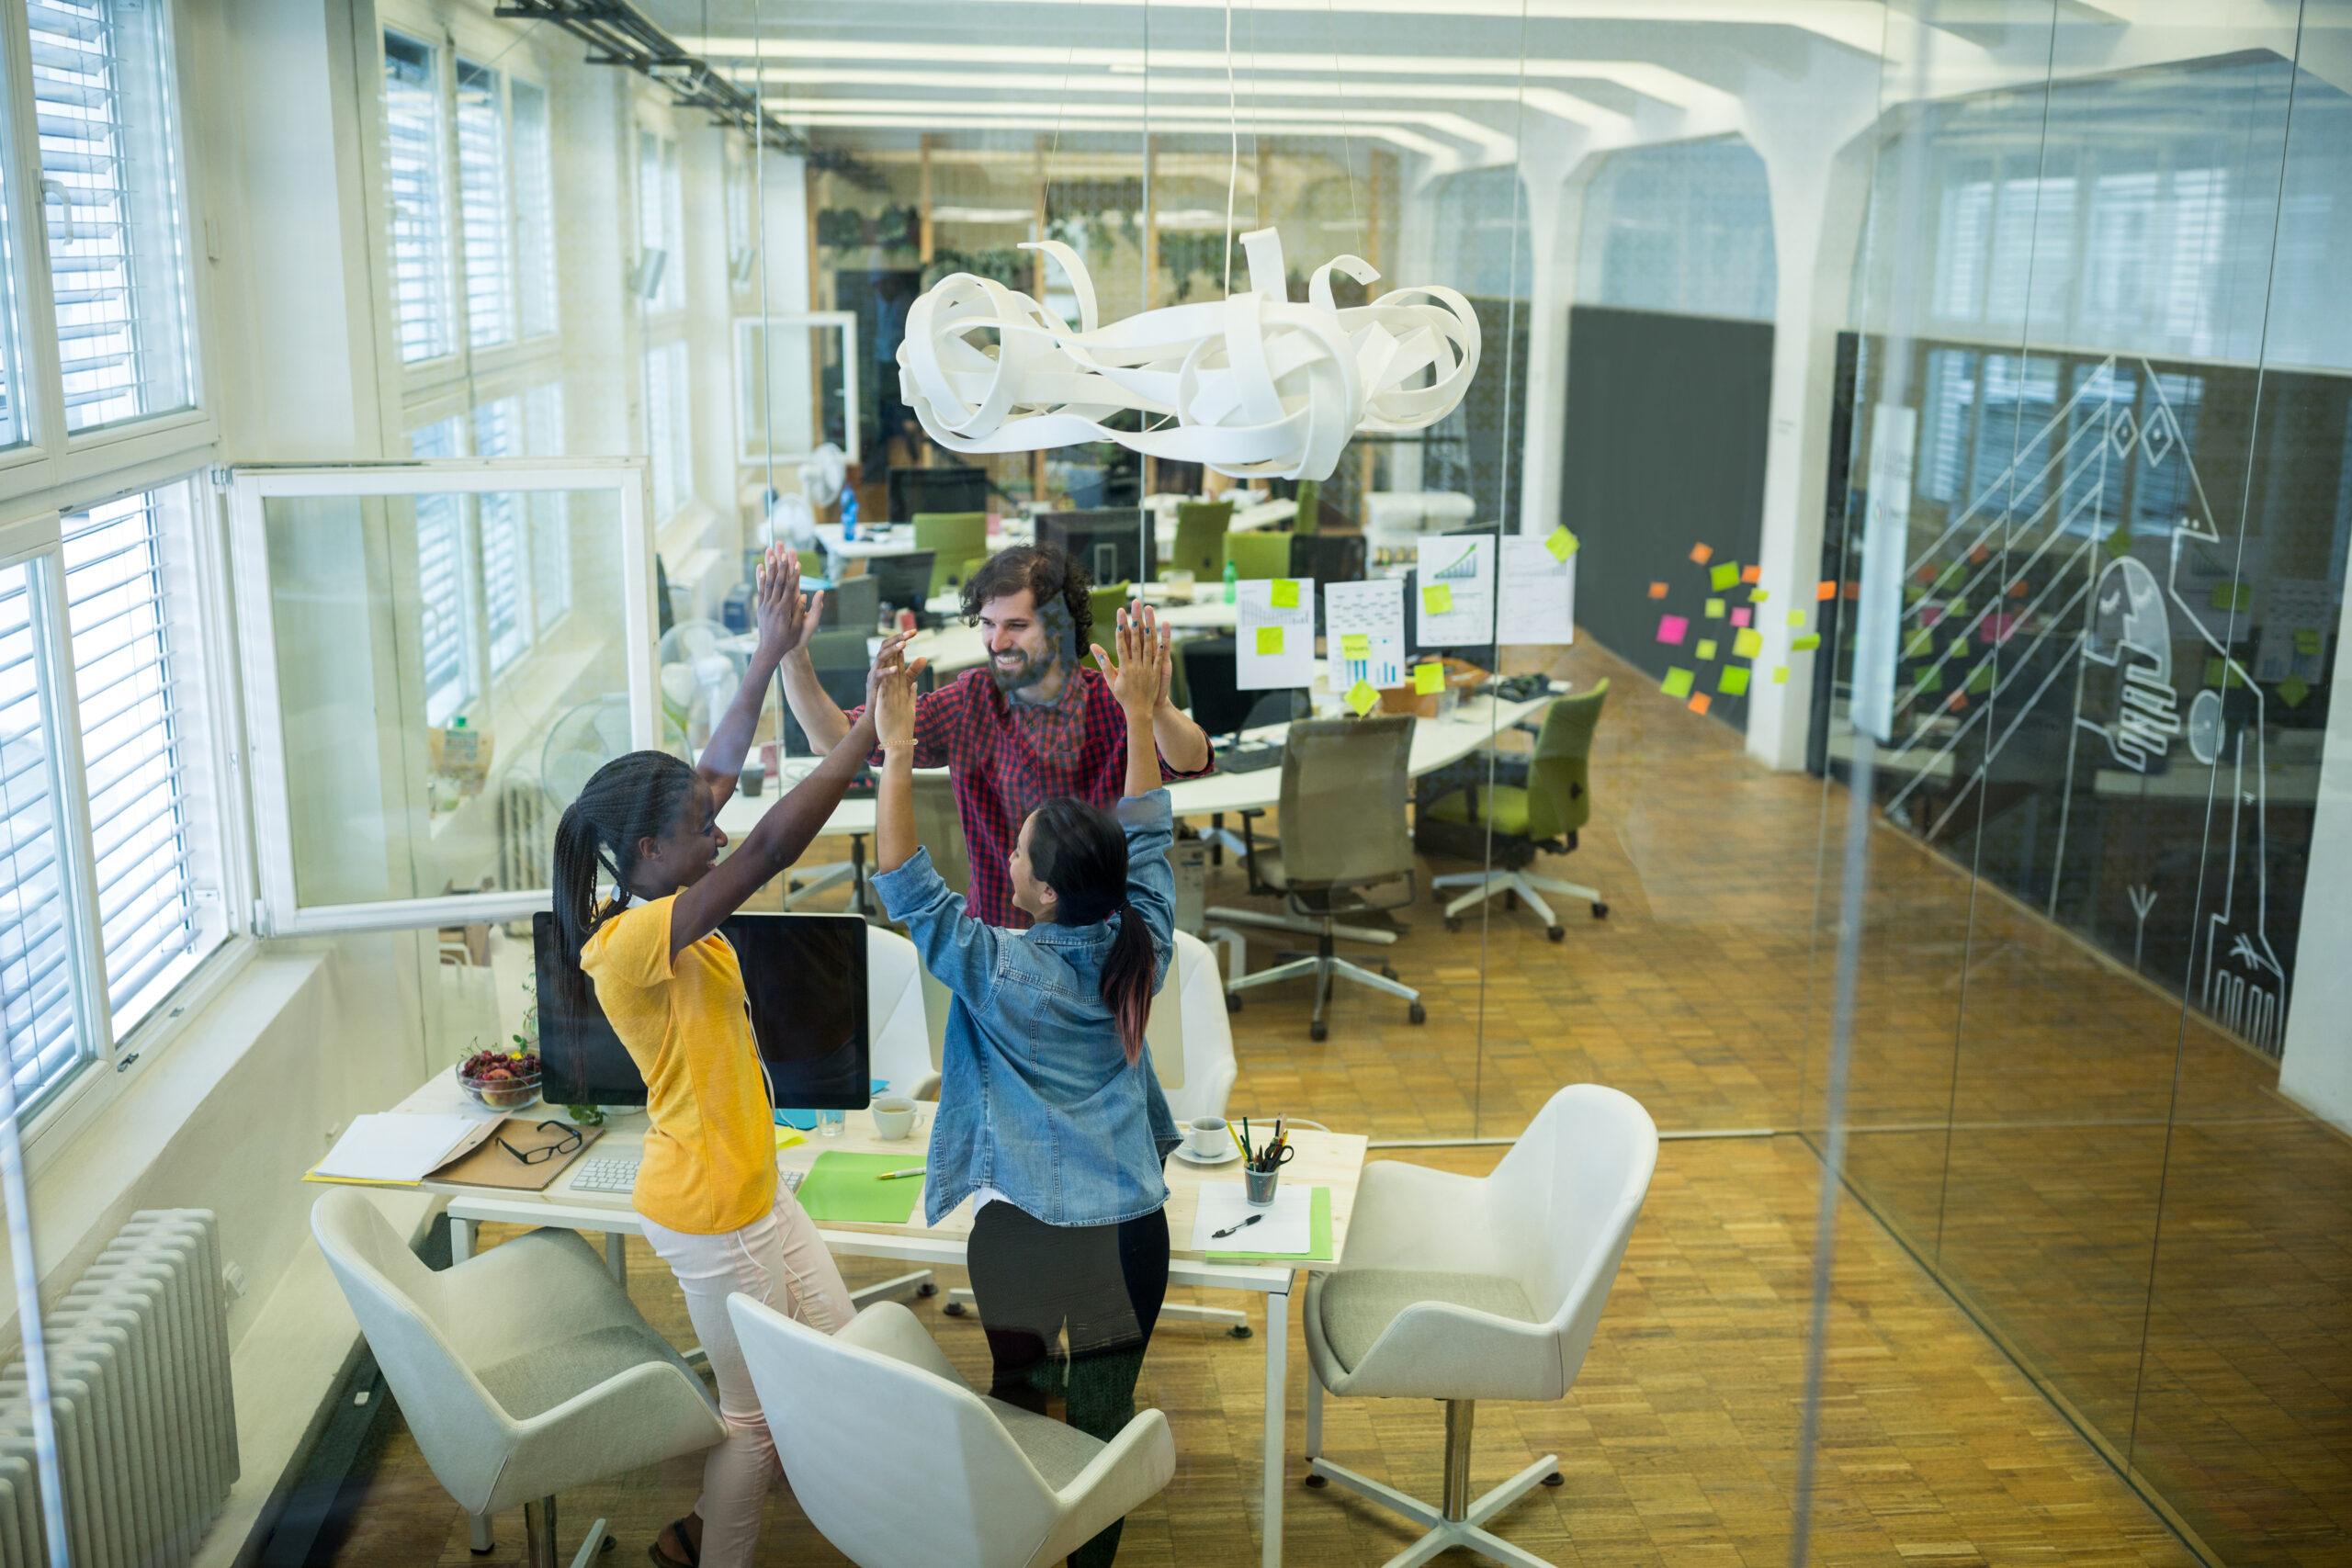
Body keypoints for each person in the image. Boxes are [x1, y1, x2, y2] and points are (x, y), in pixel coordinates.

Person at [549, 548, 873, 1568]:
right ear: (647, 855)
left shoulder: (650, 894)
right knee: (756, 1422)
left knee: (840, 1350)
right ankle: (709, 1552)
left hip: (753, 1186)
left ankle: (704, 1531)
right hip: (712, 1209)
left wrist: (770, 652)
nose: (717, 824)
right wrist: (859, 741)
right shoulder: (631, 939)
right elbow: (769, 850)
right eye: (696, 830)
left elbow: (722, 775)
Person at [869, 604, 1182, 1568]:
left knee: (1018, 1397)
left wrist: (892, 749)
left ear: (1037, 893)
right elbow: (1151, 832)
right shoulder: (1146, 943)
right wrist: (1140, 715)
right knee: (1100, 1422)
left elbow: (905, 882)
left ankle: (1018, 1546)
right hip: (1129, 1236)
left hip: (1018, 1238)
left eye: (1020, 847)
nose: (1005, 852)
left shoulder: (992, 966)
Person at [778, 541, 1214, 926]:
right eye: (988, 623)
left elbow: (1191, 759)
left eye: (1016, 626)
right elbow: (832, 740)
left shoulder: (1111, 700)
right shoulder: (972, 700)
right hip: (1000, 950)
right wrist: (793, 655)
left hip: (1100, 948)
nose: (997, 641)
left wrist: (1154, 707)